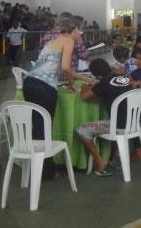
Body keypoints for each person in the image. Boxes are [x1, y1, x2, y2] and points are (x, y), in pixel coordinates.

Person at [24, 17, 95, 179]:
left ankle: (38, 167)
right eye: (80, 31)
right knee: (45, 127)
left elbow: (59, 67)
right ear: (74, 30)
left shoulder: (55, 40)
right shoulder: (68, 40)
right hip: (44, 87)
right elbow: (65, 67)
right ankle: (46, 171)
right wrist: (82, 81)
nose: (80, 34)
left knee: (37, 126)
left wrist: (73, 82)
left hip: (30, 83)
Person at [77, 58, 133, 177]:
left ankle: (100, 160)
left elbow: (85, 96)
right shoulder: (126, 78)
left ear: (97, 75)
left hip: (118, 126)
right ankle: (114, 156)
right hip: (133, 123)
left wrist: (83, 86)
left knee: (81, 130)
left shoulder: (104, 82)